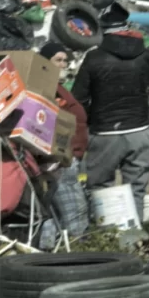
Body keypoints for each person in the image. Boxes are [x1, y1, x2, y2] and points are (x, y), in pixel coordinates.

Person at [71, 1, 149, 222]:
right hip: (140, 131)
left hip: (105, 134)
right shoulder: (145, 55)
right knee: (137, 189)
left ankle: (107, 239)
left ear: (103, 29)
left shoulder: (94, 57)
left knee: (101, 188)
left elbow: (78, 99)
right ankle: (134, 239)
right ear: (126, 27)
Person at [39, 42, 89, 237]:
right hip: (60, 162)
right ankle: (75, 255)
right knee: (74, 217)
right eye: (58, 60)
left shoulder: (58, 87)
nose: (63, 64)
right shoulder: (46, 88)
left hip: (68, 158)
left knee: (58, 216)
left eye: (65, 61)